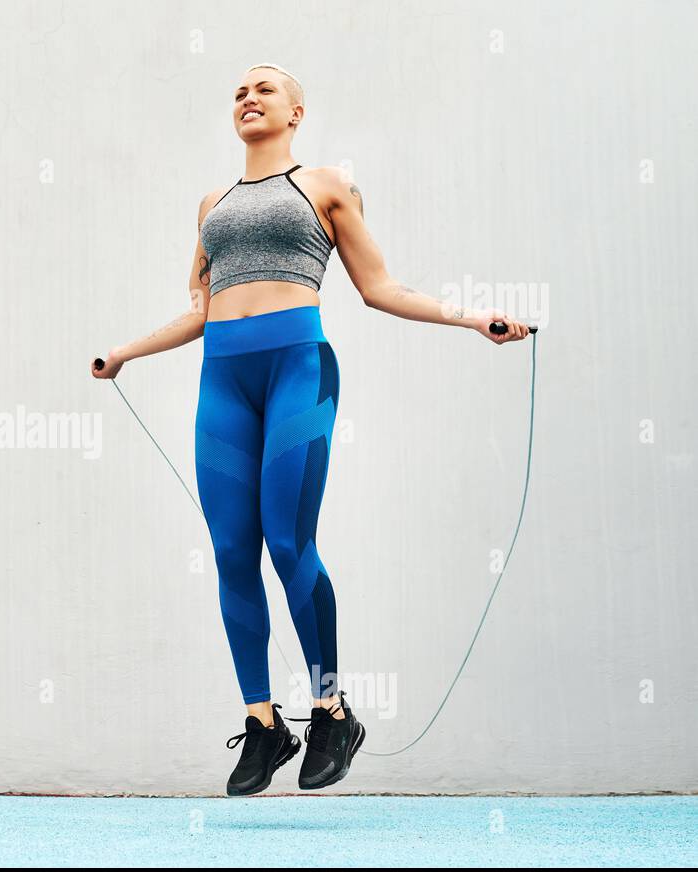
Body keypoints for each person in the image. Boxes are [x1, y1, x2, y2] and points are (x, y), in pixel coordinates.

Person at [91, 62, 529, 796]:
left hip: (298, 367)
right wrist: (126, 351)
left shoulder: (327, 185)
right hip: (224, 380)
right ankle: (264, 724)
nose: (248, 98)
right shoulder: (212, 204)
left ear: (296, 112)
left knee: (289, 539)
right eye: (238, 92)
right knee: (233, 549)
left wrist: (471, 317)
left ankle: (331, 709)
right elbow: (201, 308)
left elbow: (379, 287)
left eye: (265, 89)